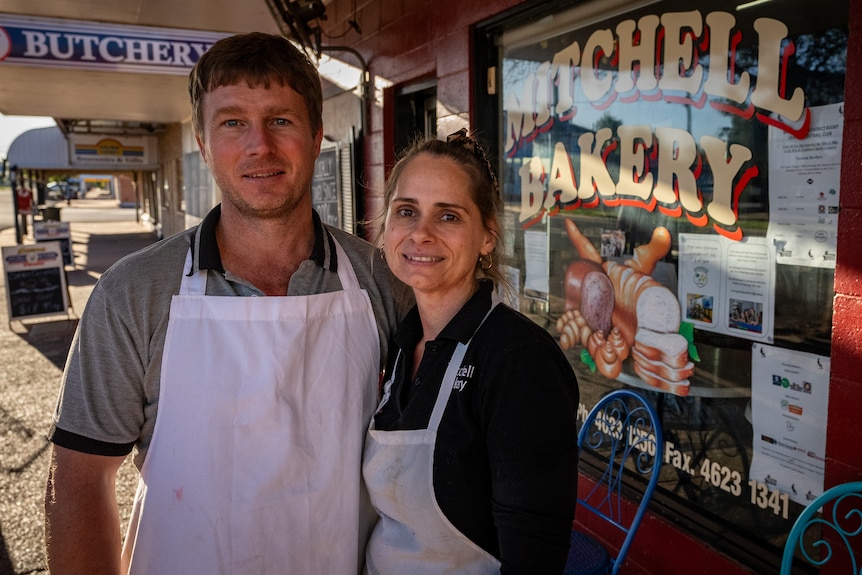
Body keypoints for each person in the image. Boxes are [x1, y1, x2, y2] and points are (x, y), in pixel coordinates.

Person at [43, 32, 410, 574]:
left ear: (315, 136)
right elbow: (78, 479)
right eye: (233, 122)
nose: (259, 145)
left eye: (280, 120)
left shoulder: (384, 281)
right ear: (203, 140)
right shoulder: (133, 293)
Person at [363, 129, 580, 574]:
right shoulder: (401, 342)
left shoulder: (518, 360)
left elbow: (535, 555)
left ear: (487, 236)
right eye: (407, 211)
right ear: (386, 226)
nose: (420, 234)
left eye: (448, 217)